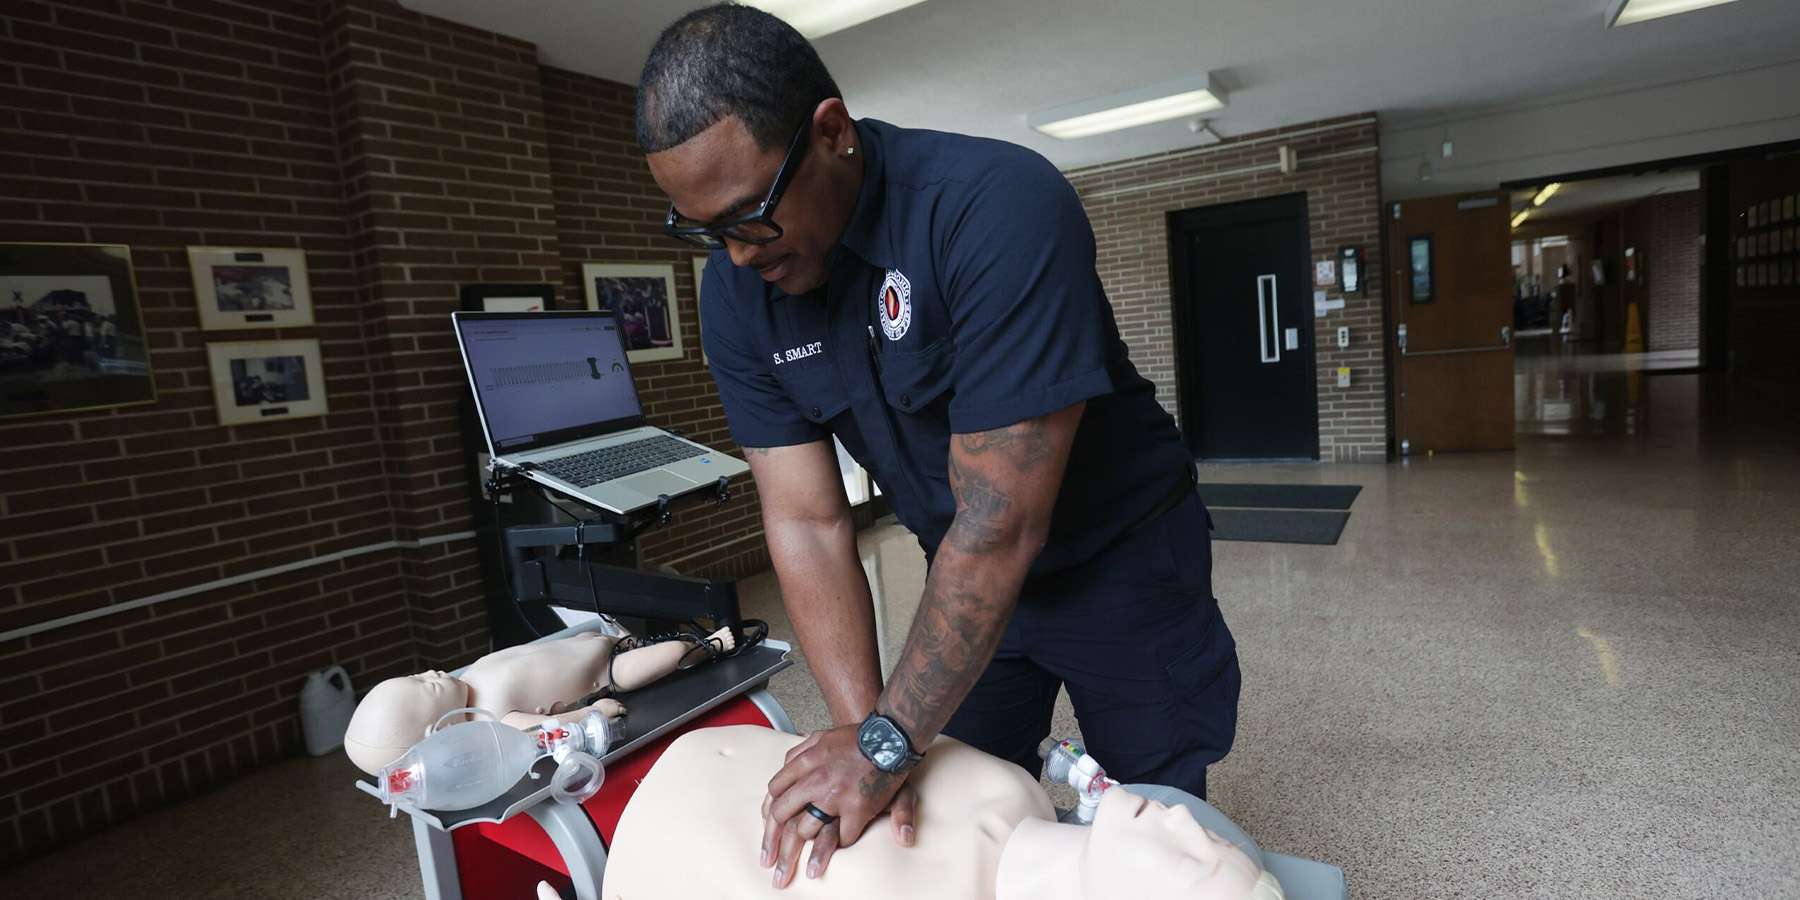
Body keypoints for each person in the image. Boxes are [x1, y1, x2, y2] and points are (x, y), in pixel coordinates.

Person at [636, 5, 1239, 888]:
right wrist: (864, 736)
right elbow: (806, 521)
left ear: (831, 133)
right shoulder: (740, 294)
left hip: (1124, 564)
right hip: (957, 574)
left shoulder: (995, 208)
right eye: (701, 230)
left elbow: (999, 521)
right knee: (955, 814)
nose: (731, 257)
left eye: (748, 217)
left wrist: (882, 742)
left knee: (1153, 823)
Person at [590, 725, 1280, 900]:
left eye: (1196, 864)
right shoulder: (1021, 794)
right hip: (703, 753)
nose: (1188, 821)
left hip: (646, 847)